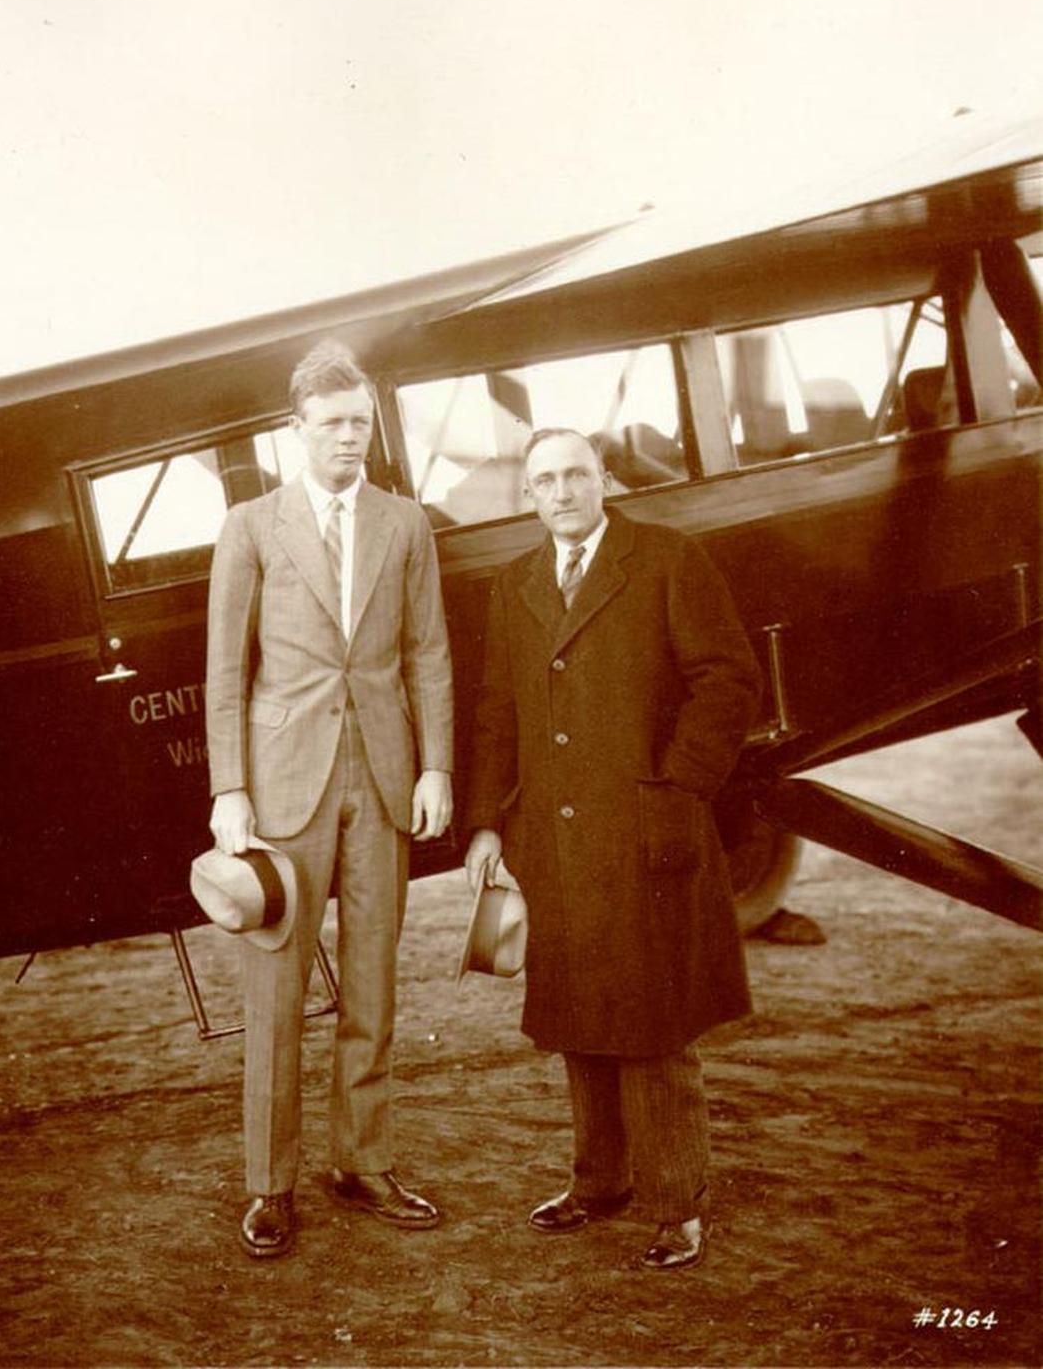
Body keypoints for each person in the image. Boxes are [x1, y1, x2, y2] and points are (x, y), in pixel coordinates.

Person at [463, 427, 761, 1271]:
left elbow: (727, 678)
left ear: (604, 480)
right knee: (579, 1018)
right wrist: (487, 822)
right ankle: (599, 1184)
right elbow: (497, 711)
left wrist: (678, 786)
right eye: (544, 480)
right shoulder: (515, 582)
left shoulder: (664, 558)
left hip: (643, 832)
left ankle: (677, 1205)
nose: (561, 492)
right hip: (551, 840)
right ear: (528, 494)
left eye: (575, 475)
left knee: (652, 1022)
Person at [205, 339, 454, 1259]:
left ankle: (364, 1160)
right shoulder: (252, 527)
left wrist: (436, 768)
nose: (351, 437)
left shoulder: (407, 523)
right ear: (296, 431)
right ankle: (270, 1186)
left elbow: (429, 651)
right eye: (332, 423)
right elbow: (225, 670)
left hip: (383, 776)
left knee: (376, 979)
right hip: (281, 787)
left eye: (362, 420)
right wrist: (230, 791)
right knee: (276, 988)